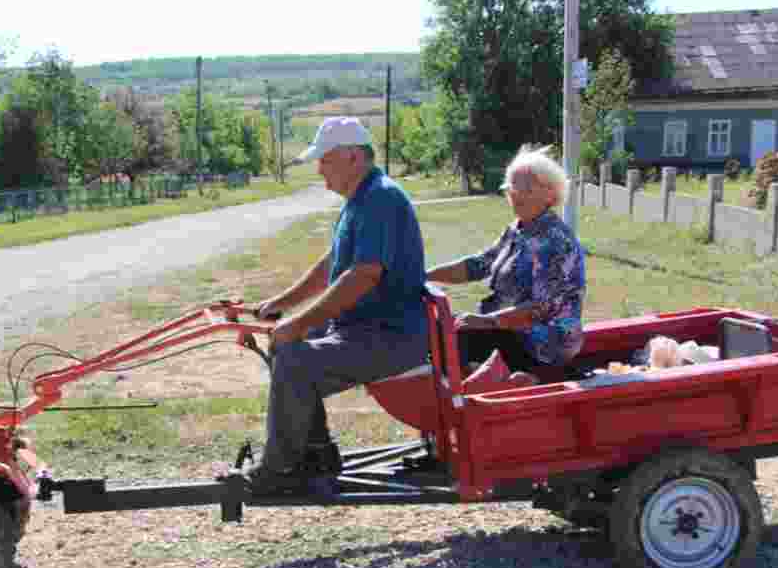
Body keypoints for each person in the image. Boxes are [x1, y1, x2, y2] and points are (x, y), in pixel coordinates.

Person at [243, 116, 429, 495]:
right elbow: (332, 264)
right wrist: (281, 304)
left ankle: (281, 470)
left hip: (392, 336)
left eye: (325, 160)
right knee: (285, 346)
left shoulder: (380, 199)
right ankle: (315, 453)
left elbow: (363, 276)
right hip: (367, 327)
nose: (319, 170)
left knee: (295, 360)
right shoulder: (360, 200)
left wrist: (298, 323)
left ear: (353, 158)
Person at [426, 145, 586, 378]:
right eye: (511, 188)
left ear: (550, 194)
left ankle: (494, 387)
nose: (515, 195)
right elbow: (479, 265)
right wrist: (425, 274)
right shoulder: (518, 229)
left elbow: (539, 308)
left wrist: (486, 321)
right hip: (508, 331)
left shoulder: (556, 241)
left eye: (525, 189)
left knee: (457, 337)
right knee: (441, 329)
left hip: (542, 344)